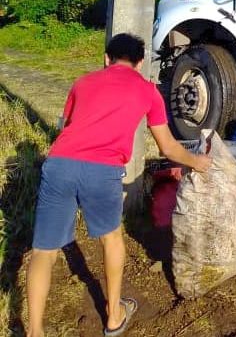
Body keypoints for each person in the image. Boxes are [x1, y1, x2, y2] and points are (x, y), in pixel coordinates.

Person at [26, 33, 212, 337]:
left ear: (106, 59)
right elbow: (167, 147)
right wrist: (197, 162)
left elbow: (67, 126)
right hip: (102, 170)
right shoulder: (148, 91)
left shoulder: (82, 82)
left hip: (59, 164)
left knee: (43, 252)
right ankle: (114, 316)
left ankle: (34, 331)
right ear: (140, 63)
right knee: (111, 239)